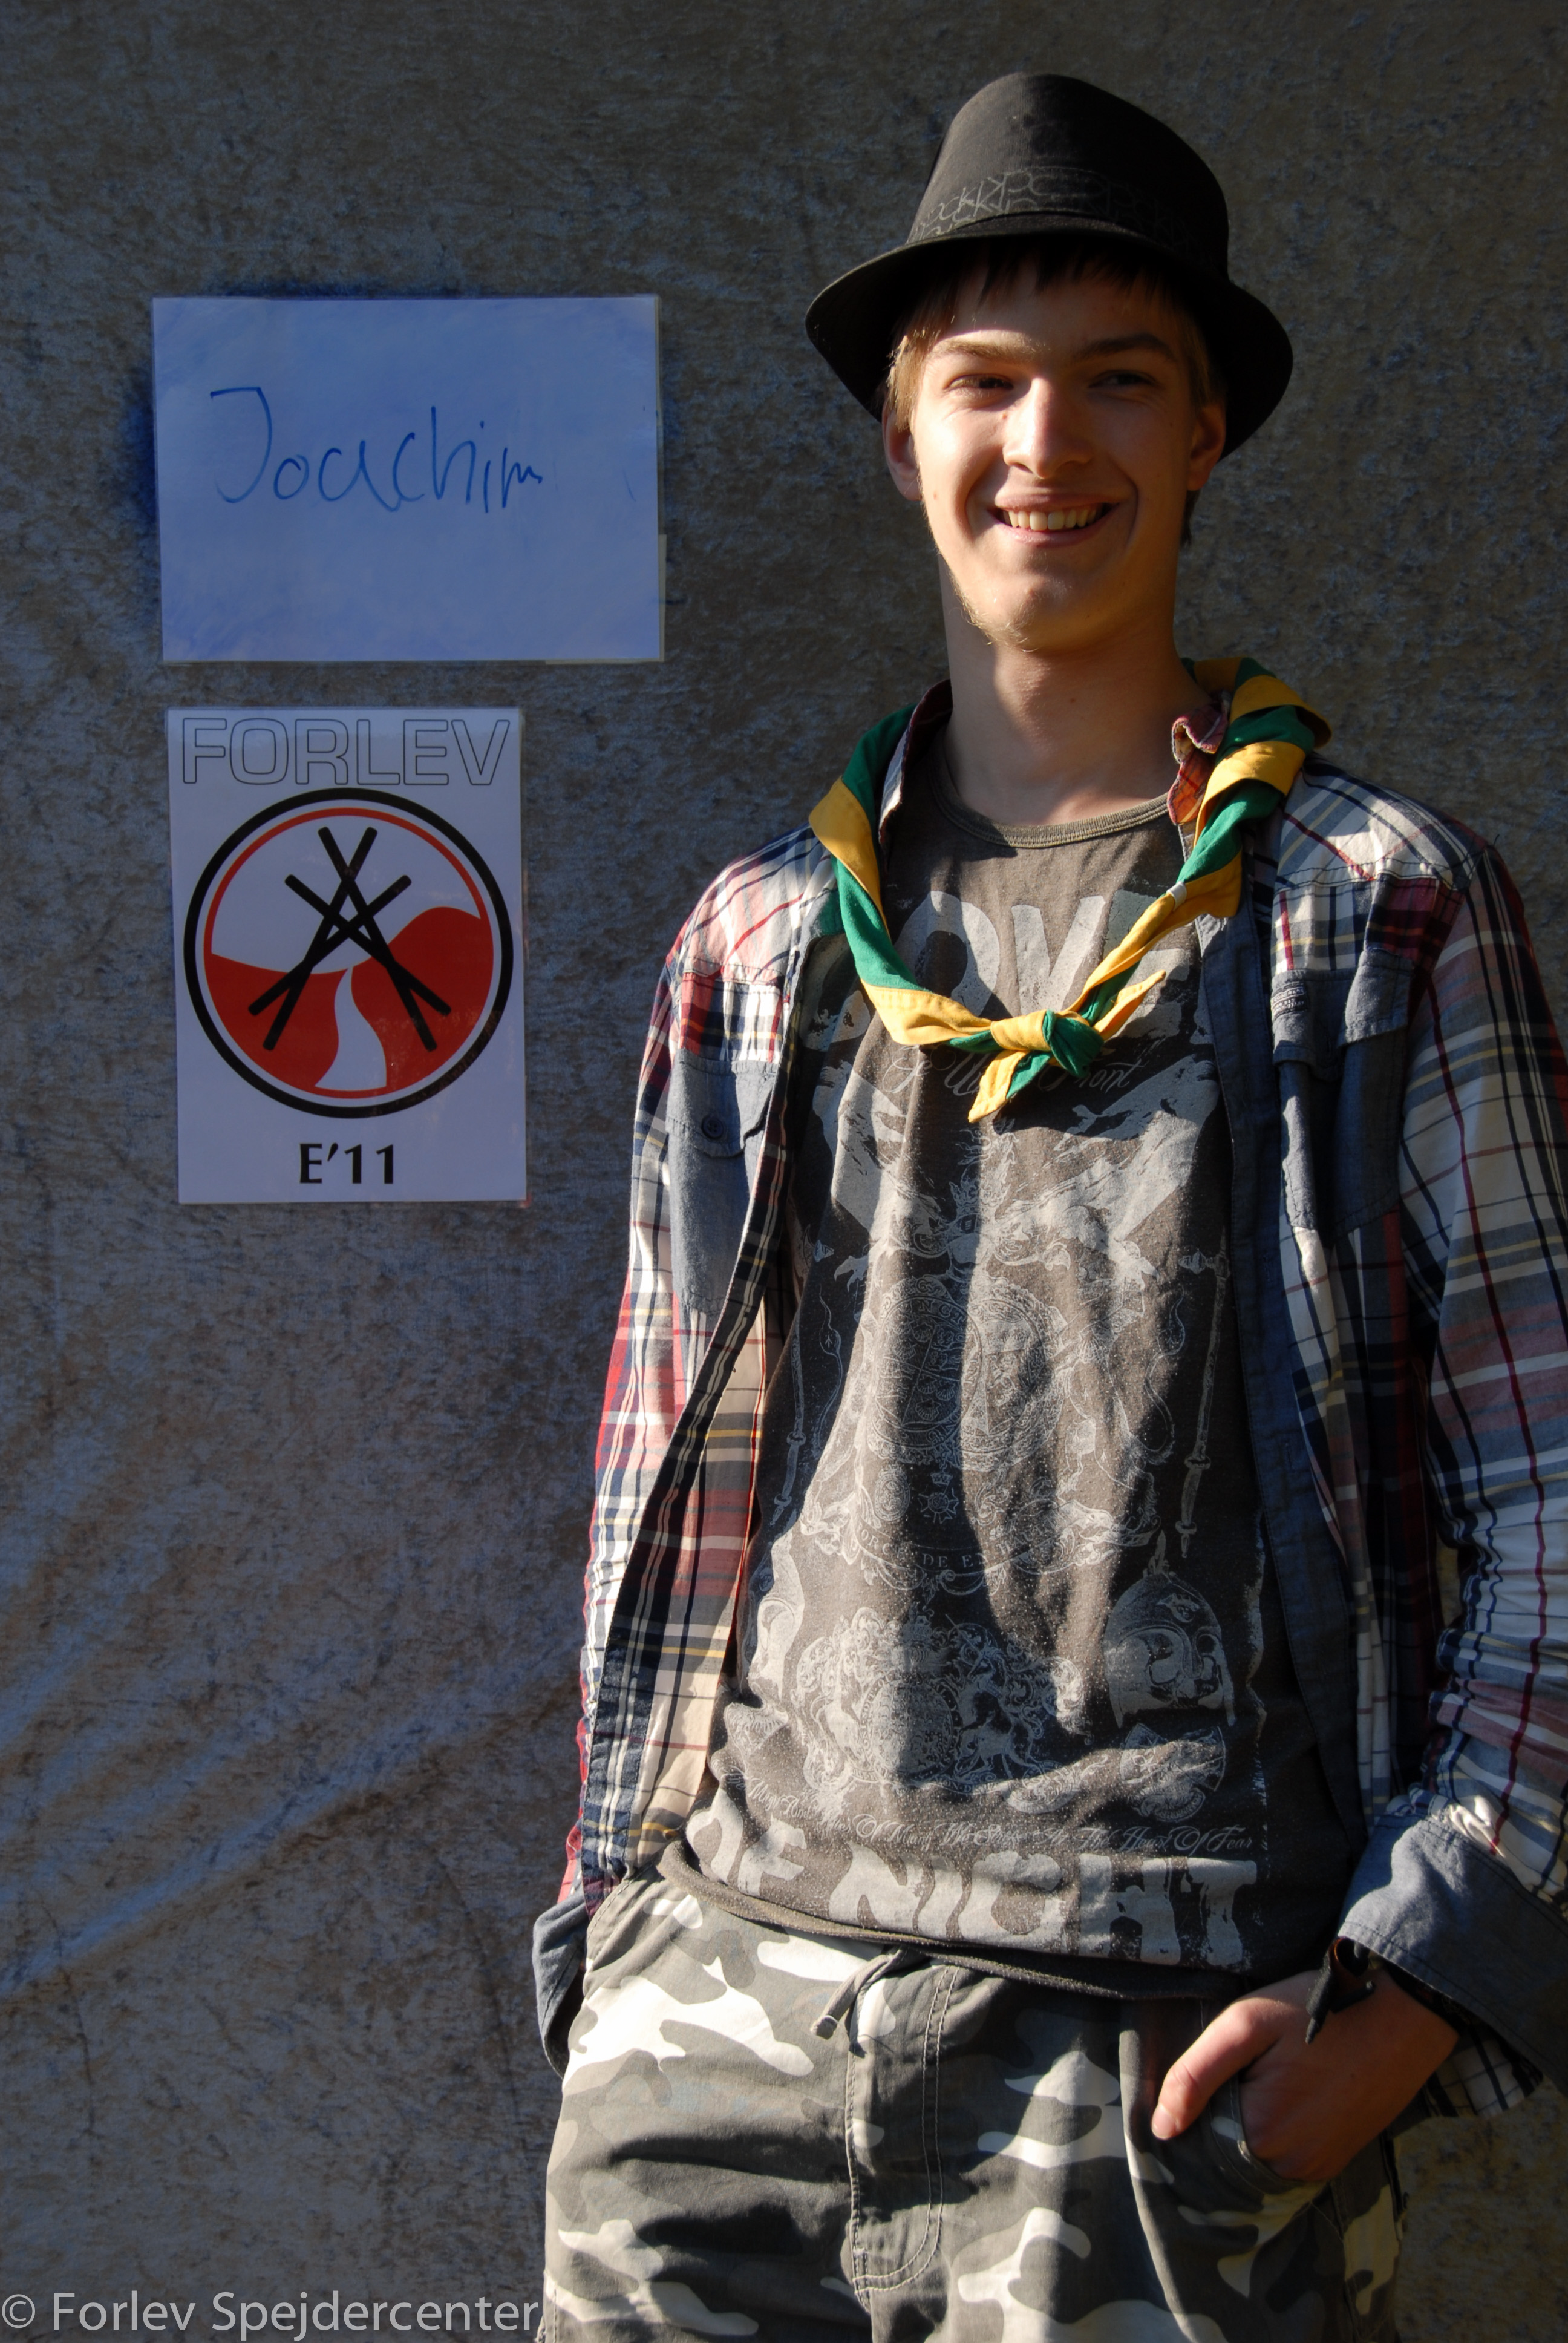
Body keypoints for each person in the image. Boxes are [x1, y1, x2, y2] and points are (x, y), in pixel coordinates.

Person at [534, 71, 1567, 2341]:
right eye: (985, 381)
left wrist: (1420, 1984)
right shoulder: (760, 946)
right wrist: (616, 1951)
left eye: (1118, 379)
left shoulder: (1370, 913)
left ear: (1208, 434)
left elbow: (1553, 1482)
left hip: (1165, 2051)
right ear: (897, 431)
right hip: (721, 2034)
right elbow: (660, 1491)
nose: (1045, 444)